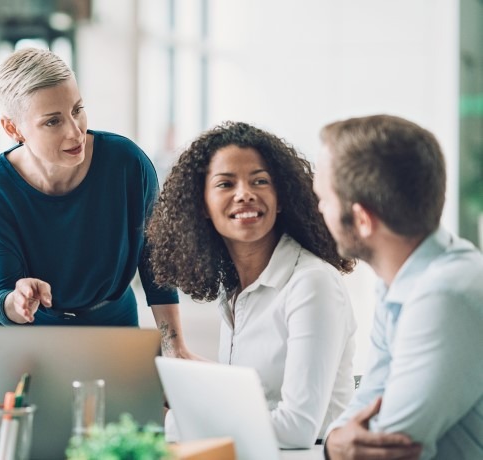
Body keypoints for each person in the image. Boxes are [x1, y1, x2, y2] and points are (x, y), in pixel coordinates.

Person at [0, 48, 194, 357]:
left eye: (77, 110)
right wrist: (17, 302)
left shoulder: (127, 163)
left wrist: (174, 347)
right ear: (13, 128)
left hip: (116, 326)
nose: (75, 132)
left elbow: (156, 264)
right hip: (34, 340)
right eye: (52, 122)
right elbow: (2, 294)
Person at [146, 121, 357, 447]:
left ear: (280, 198)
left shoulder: (312, 283)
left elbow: (297, 427)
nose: (245, 194)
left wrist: (169, 421)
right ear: (201, 205)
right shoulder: (235, 291)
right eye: (226, 184)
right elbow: (256, 398)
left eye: (260, 181)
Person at [316, 115, 483, 460]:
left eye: (325, 200)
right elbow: (366, 405)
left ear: (362, 220)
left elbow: (388, 446)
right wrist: (333, 444)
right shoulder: (400, 280)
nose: (319, 210)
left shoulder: (445, 296)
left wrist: (337, 446)